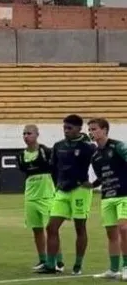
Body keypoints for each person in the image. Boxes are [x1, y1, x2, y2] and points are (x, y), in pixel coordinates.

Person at [43, 115, 95, 275]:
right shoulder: (58, 146)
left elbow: (101, 164)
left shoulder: (88, 147)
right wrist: (57, 184)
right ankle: (51, 265)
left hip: (80, 191)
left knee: (79, 227)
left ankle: (78, 265)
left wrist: (95, 183)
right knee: (51, 227)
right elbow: (53, 168)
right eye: (64, 128)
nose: (66, 131)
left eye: (69, 128)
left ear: (79, 129)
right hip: (62, 190)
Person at [86, 118, 127, 279]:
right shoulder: (95, 155)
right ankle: (114, 269)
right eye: (89, 129)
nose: (91, 132)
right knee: (111, 234)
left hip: (124, 195)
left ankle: (126, 266)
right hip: (107, 196)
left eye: (94, 129)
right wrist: (91, 184)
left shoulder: (118, 146)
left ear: (104, 130)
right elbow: (102, 176)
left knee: (124, 229)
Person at [16, 125, 56, 271]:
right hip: (30, 197)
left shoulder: (45, 151)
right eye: (24, 133)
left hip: (46, 196)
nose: (26, 136)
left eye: (29, 133)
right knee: (37, 230)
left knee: (52, 230)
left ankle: (58, 261)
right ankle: (43, 259)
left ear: (37, 135)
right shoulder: (20, 156)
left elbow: (54, 170)